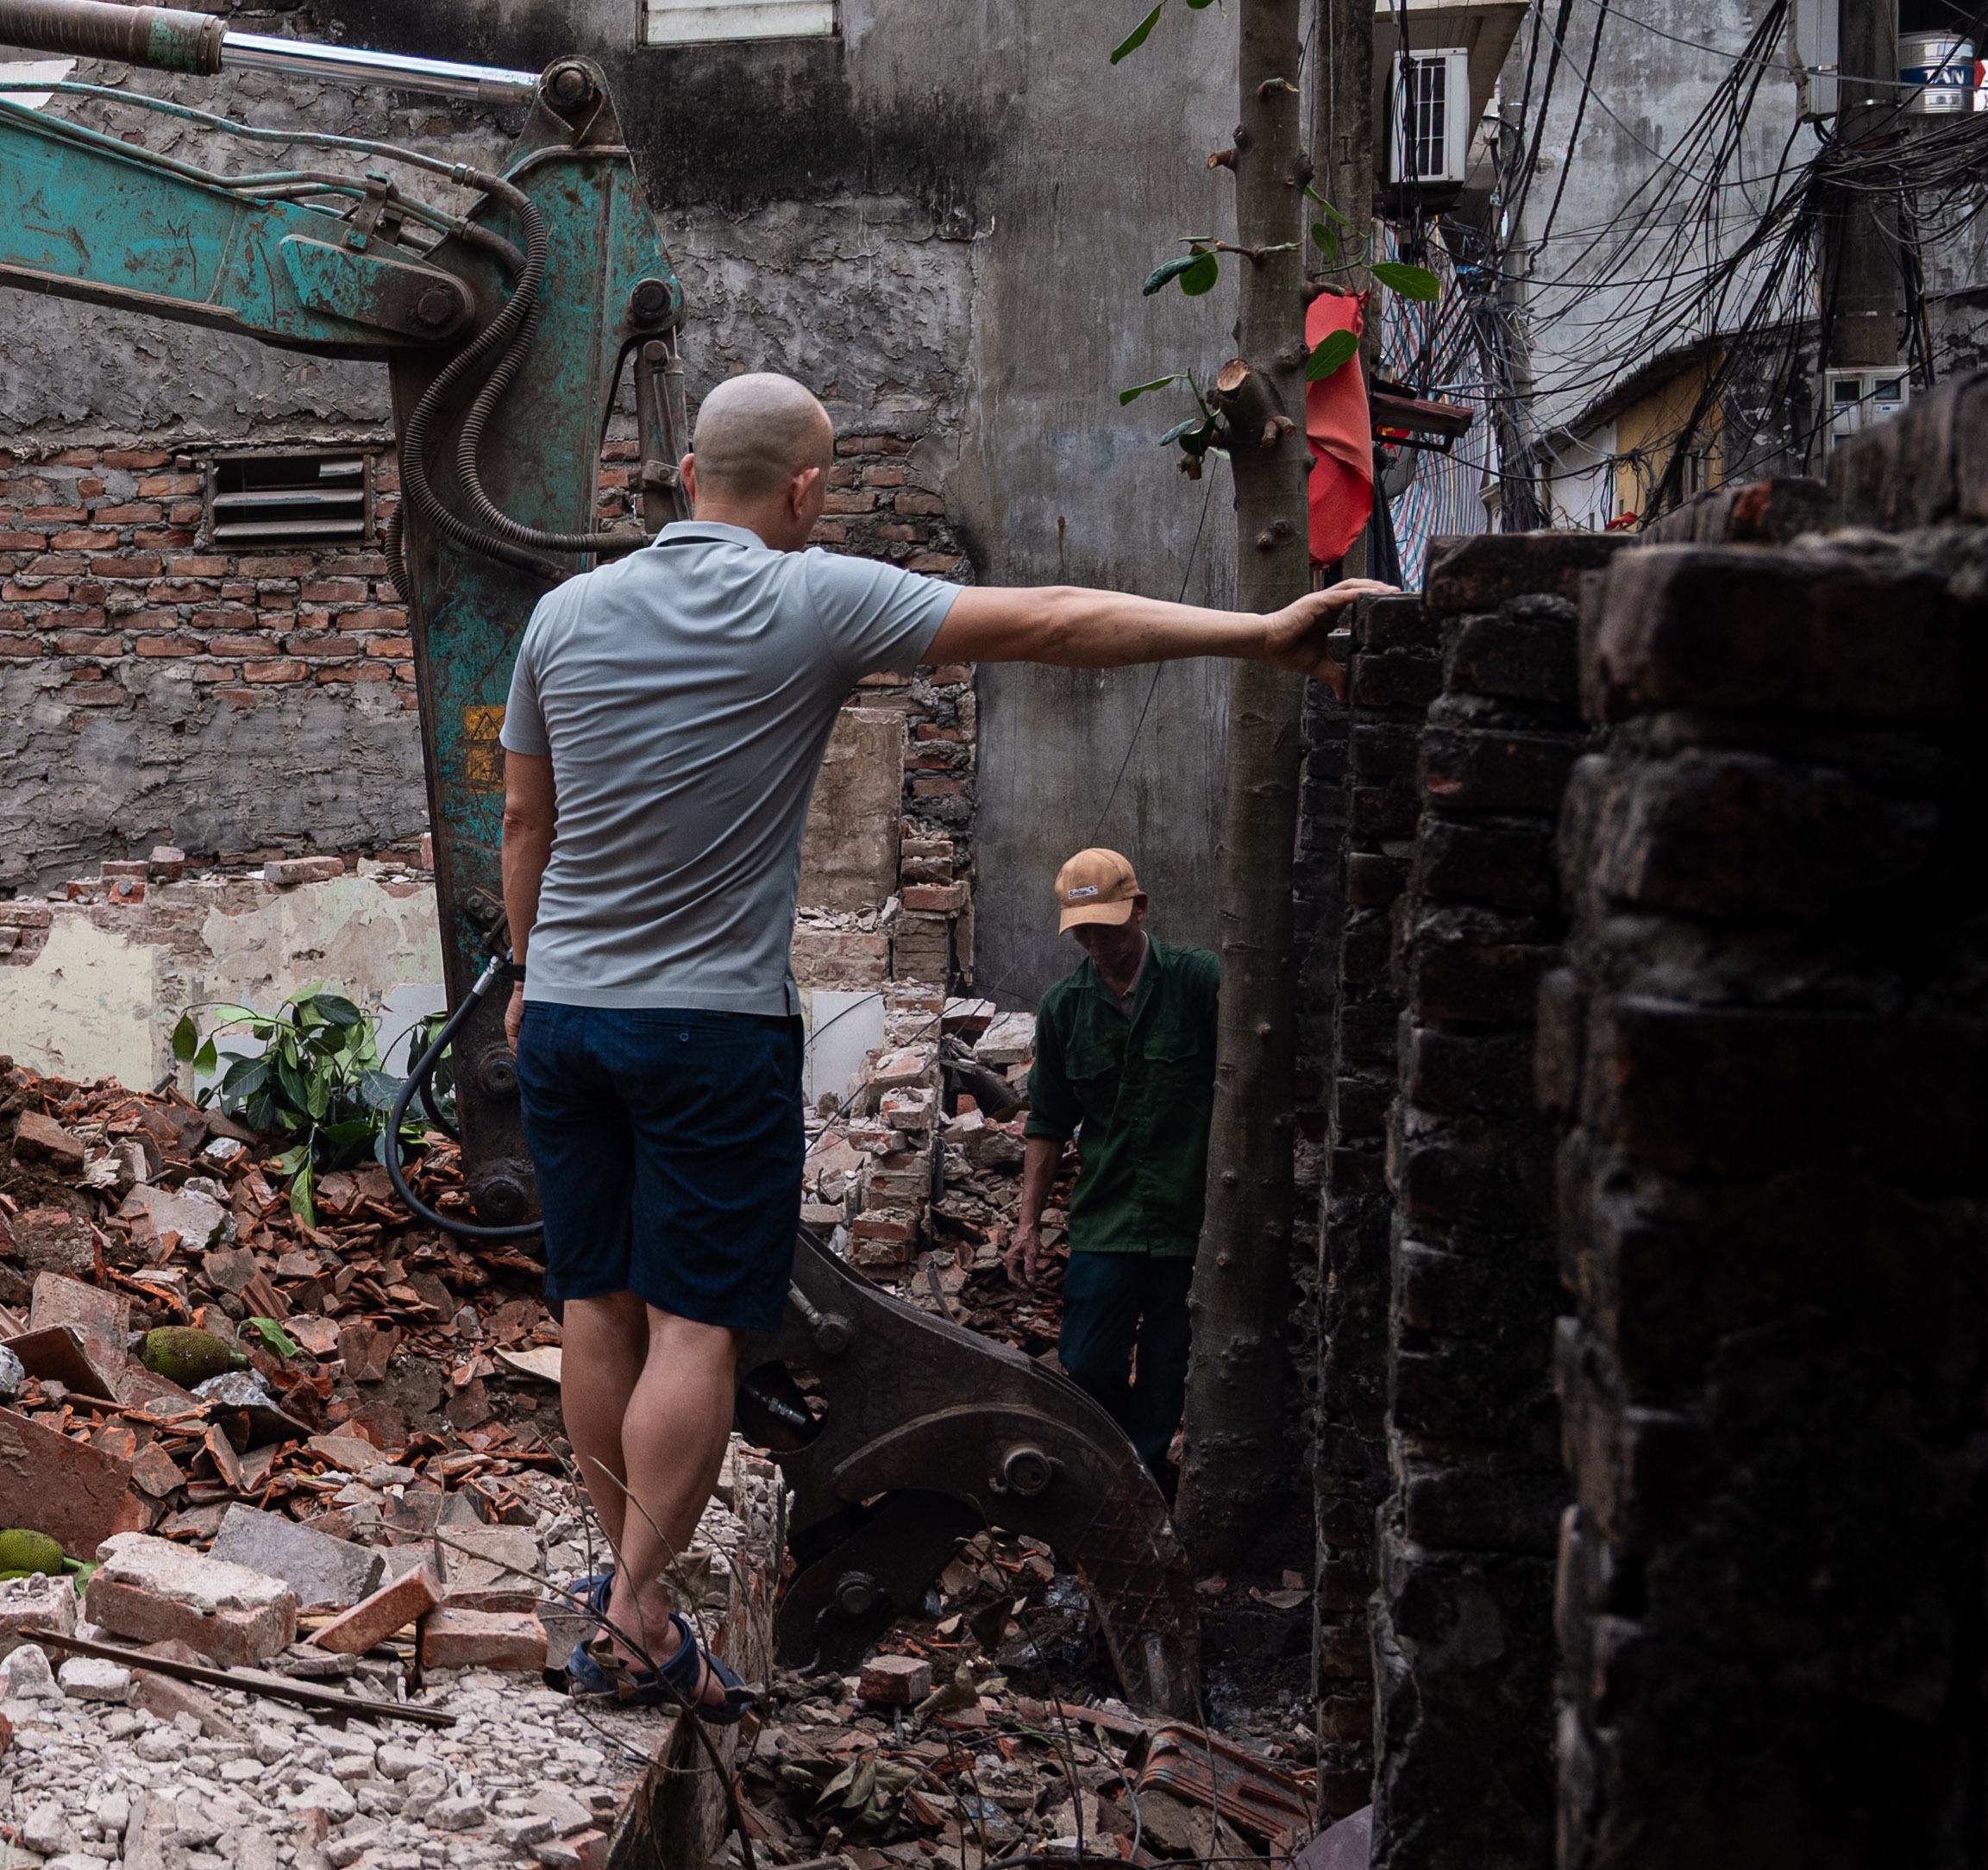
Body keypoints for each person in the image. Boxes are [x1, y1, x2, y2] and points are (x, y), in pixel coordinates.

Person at [499, 370, 1388, 1713]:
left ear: (687, 477)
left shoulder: (561, 614)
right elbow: (1057, 621)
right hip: (708, 1027)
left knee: (592, 1307)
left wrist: (522, 971)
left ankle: (611, 1593)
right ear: (807, 491)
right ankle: (636, 1609)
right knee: (695, 1327)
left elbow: (524, 826)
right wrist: (1260, 632)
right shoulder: (809, 594)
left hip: (564, 1013)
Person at [1005, 846, 1217, 1485]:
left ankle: (1144, 1482)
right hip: (1109, 1216)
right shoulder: (1065, 1007)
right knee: (1088, 1358)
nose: (1096, 943)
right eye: (1083, 931)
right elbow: (1046, 1123)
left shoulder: (1200, 981)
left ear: (1141, 910)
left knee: (1167, 1363)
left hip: (1190, 1216)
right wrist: (1026, 1224)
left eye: (1108, 926)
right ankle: (1126, 1461)